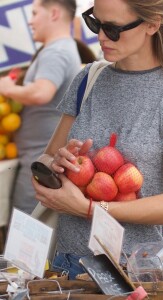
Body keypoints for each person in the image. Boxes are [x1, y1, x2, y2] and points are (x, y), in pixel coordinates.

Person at [31, 0, 163, 280]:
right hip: (69, 265)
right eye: (96, 23)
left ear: (152, 24)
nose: (101, 37)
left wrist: (91, 209)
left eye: (113, 29)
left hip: (140, 273)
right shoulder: (88, 79)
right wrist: (55, 164)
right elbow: (46, 157)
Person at [0, 0, 81, 214]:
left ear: (53, 13)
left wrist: (7, 88)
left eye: (35, 13)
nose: (30, 21)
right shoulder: (60, 49)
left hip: (40, 160)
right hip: (40, 158)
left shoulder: (56, 52)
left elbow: (41, 92)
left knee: (25, 231)